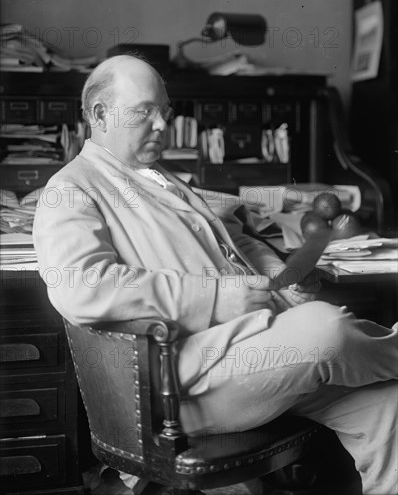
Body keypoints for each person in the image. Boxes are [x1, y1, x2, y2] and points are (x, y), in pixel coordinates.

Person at [33, 55, 397, 495]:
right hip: (188, 380)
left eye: (164, 112)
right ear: (98, 114)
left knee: (388, 405)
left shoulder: (159, 176)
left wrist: (281, 276)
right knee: (327, 330)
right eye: (143, 112)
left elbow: (235, 240)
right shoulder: (72, 189)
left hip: (254, 347)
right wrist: (214, 297)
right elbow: (81, 287)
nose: (161, 124)